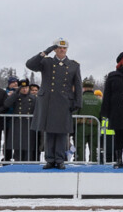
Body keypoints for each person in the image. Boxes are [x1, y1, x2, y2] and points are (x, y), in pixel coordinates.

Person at [26, 38, 83, 169]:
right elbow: (30, 65)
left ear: (67, 49)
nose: (61, 50)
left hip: (64, 101)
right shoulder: (46, 62)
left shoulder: (74, 65)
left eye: (64, 48)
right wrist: (45, 52)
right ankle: (50, 159)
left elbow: (78, 86)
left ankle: (60, 159)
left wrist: (77, 102)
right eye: (58, 48)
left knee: (62, 132)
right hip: (48, 101)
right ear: (55, 49)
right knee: (49, 132)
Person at [3, 79, 38, 162]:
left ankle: (28, 165)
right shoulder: (16, 97)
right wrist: (16, 93)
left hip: (29, 124)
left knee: (28, 147)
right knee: (17, 147)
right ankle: (18, 164)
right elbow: (6, 104)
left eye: (26, 87)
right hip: (17, 124)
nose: (24, 89)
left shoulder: (34, 98)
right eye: (22, 88)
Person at [75, 78, 102, 163]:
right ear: (92, 88)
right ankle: (93, 164)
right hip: (95, 128)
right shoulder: (99, 101)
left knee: (80, 147)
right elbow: (102, 115)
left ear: (83, 88)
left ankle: (80, 163)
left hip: (81, 127)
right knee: (94, 147)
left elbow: (74, 113)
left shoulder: (79, 99)